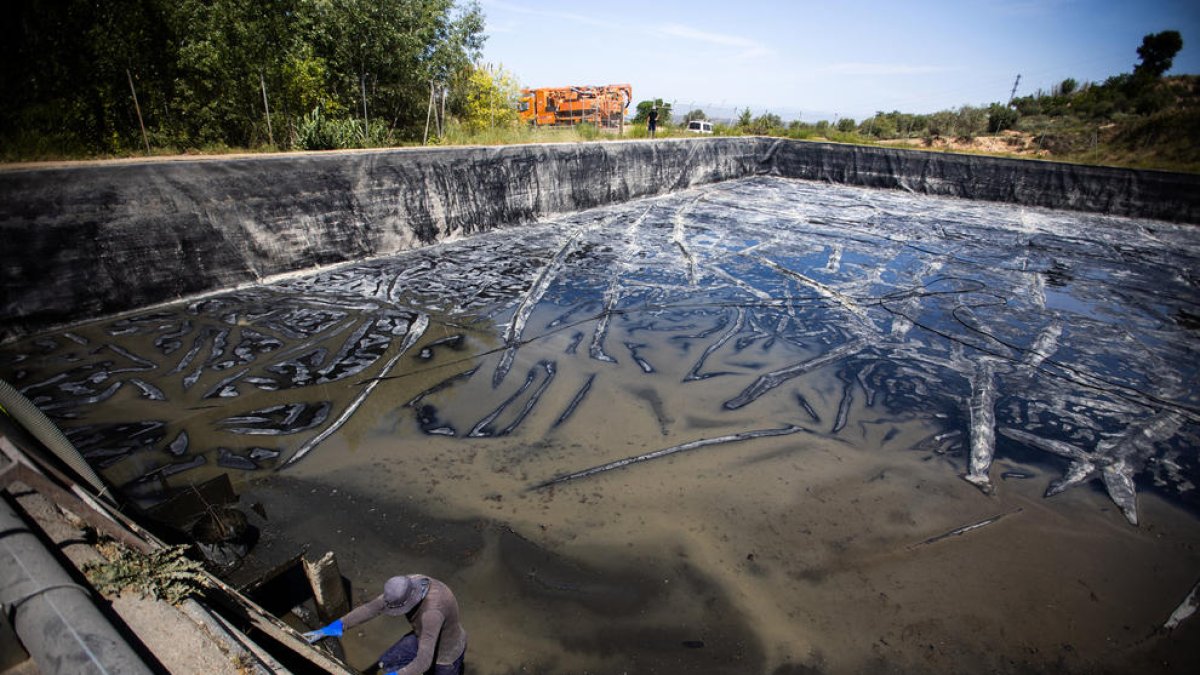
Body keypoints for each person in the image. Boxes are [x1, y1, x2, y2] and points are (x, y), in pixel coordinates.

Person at [303, 574, 467, 675]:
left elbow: (424, 661)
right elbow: (371, 608)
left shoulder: (432, 614)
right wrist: (337, 626)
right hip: (421, 637)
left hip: (446, 654)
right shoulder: (409, 583)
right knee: (388, 661)